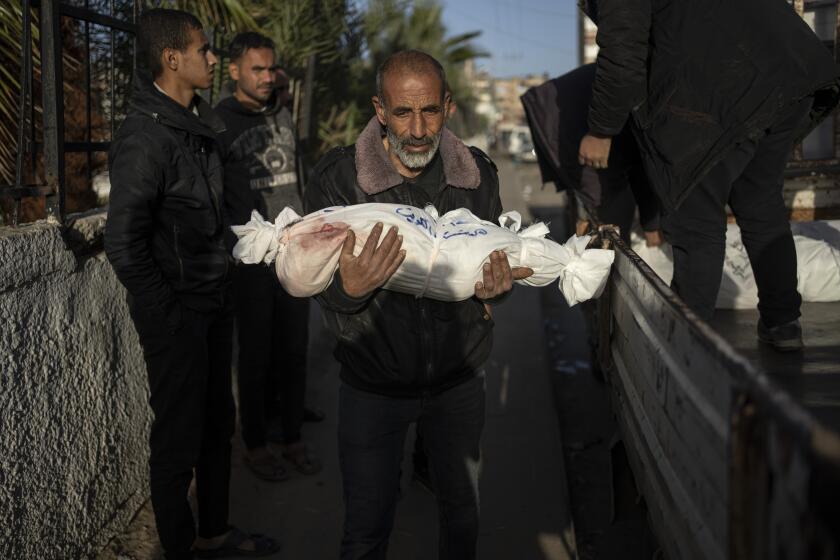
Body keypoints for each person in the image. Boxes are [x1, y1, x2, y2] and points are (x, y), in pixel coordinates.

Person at [303, 50, 532, 560]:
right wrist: (349, 288)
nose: (418, 129)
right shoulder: (339, 180)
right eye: (402, 113)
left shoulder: (478, 176)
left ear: (448, 107)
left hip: (458, 383)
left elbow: (497, 269)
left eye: (429, 111)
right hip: (372, 387)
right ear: (379, 110)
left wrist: (500, 287)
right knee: (366, 529)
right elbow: (311, 280)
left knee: (462, 516)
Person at [104, 9, 279, 558]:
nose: (211, 58)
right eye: (203, 50)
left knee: (215, 426)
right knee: (178, 442)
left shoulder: (197, 125)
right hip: (177, 314)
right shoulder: (145, 138)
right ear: (171, 58)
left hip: (212, 300)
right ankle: (178, 548)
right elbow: (123, 242)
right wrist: (169, 312)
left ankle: (215, 533)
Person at [578, 0, 840, 350]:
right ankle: (783, 324)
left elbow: (623, 58)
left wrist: (600, 131)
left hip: (721, 89)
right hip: (787, 74)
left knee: (695, 219)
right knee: (760, 203)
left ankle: (688, 345)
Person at [215, 31, 321, 480]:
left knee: (293, 350)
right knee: (255, 354)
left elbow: (297, 176)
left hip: (293, 255)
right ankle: (254, 444)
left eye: (270, 68)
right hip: (252, 262)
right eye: (256, 69)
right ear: (234, 70)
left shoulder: (282, 113)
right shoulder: (219, 122)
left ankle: (291, 436)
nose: (266, 77)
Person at [521, 63, 661, 245]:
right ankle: (605, 264)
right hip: (572, 120)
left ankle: (600, 255)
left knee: (611, 201)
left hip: (558, 108)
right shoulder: (657, 89)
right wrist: (652, 224)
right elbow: (643, 164)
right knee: (608, 206)